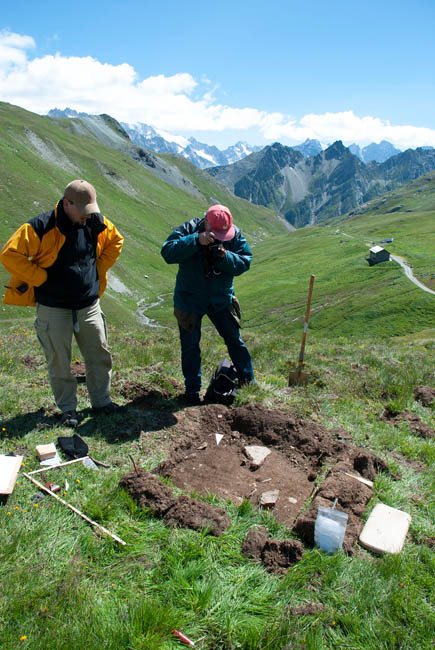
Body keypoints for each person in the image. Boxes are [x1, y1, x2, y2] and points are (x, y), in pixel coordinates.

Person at [0, 179, 124, 426]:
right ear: (67, 204)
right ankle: (68, 409)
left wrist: (97, 269)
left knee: (99, 355)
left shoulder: (95, 222)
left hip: (88, 305)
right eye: (83, 211)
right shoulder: (40, 226)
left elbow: (116, 242)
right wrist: (40, 277)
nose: (87, 217)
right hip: (53, 307)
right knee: (59, 360)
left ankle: (102, 402)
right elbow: (9, 254)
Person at [161, 204, 254, 404]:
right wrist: (196, 241)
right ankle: (192, 391)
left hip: (221, 299)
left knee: (234, 341)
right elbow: (167, 252)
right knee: (190, 346)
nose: (221, 238)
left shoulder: (235, 235)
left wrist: (224, 256)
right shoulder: (189, 229)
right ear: (205, 223)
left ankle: (248, 385)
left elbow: (244, 262)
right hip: (189, 300)